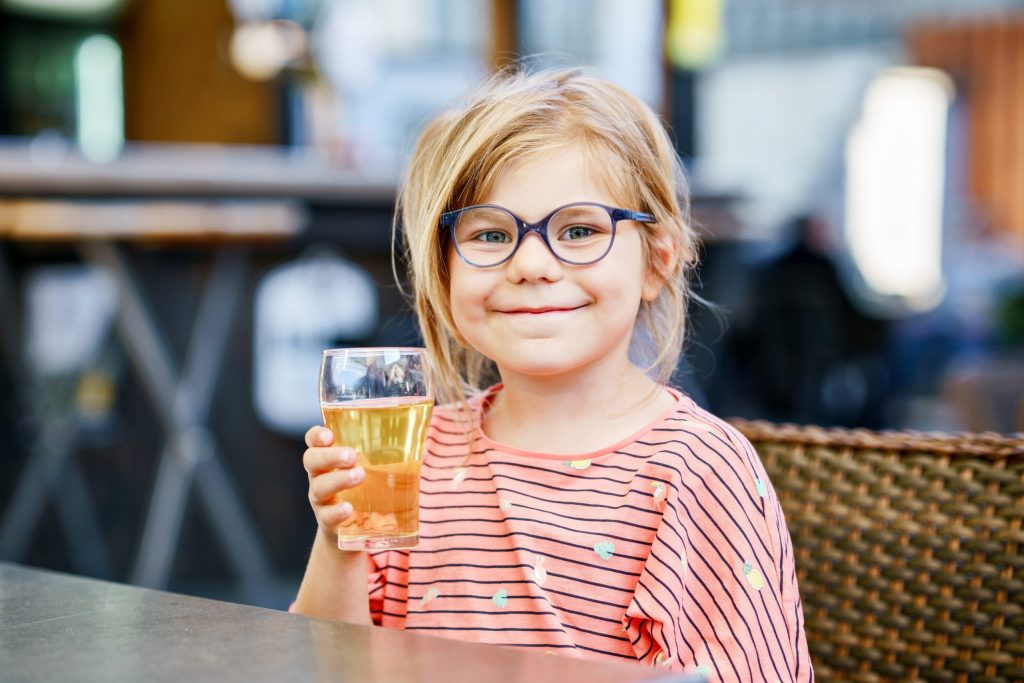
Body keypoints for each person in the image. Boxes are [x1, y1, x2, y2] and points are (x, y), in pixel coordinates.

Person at [293, 68, 812, 681]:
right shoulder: (414, 456)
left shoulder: (696, 470)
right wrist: (340, 538)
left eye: (581, 230)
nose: (532, 263)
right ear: (444, 270)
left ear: (657, 261)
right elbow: (328, 665)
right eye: (490, 234)